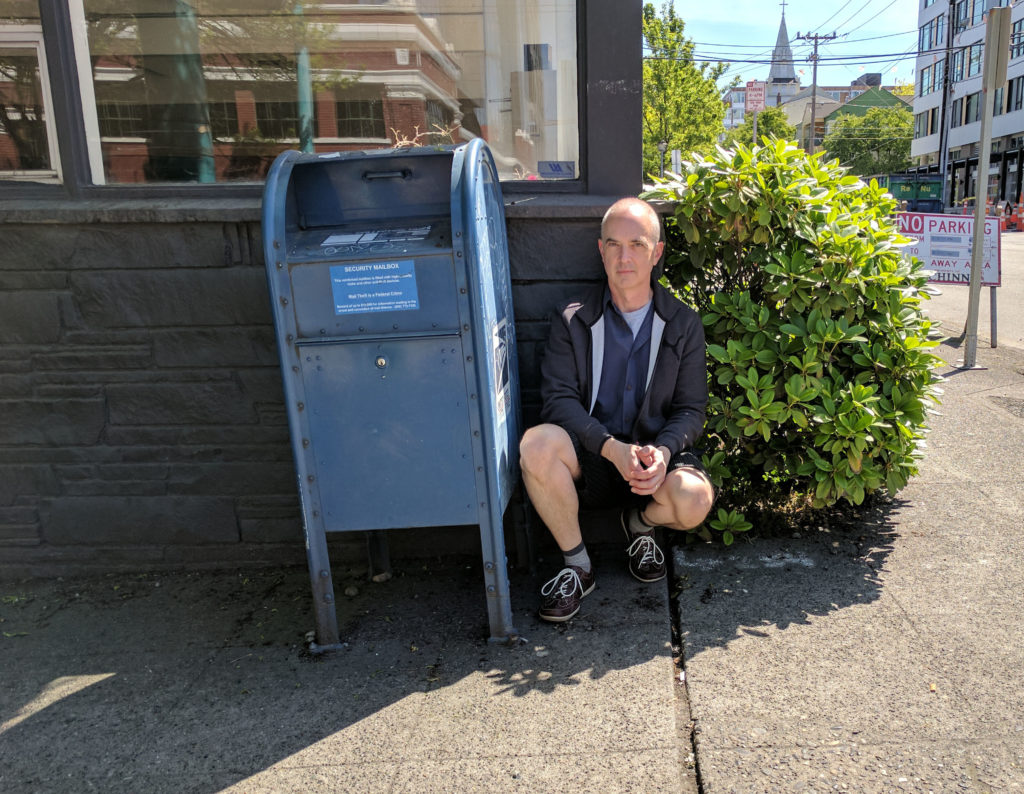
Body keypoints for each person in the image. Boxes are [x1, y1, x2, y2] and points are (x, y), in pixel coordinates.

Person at [519, 197, 715, 623]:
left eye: (637, 244)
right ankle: (578, 567)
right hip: (591, 455)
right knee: (536, 444)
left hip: (653, 459)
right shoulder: (572, 319)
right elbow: (558, 402)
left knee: (695, 500)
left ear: (657, 252)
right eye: (614, 244)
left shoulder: (683, 324)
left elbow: (691, 409)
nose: (624, 257)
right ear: (600, 249)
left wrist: (662, 453)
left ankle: (641, 526)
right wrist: (610, 449)